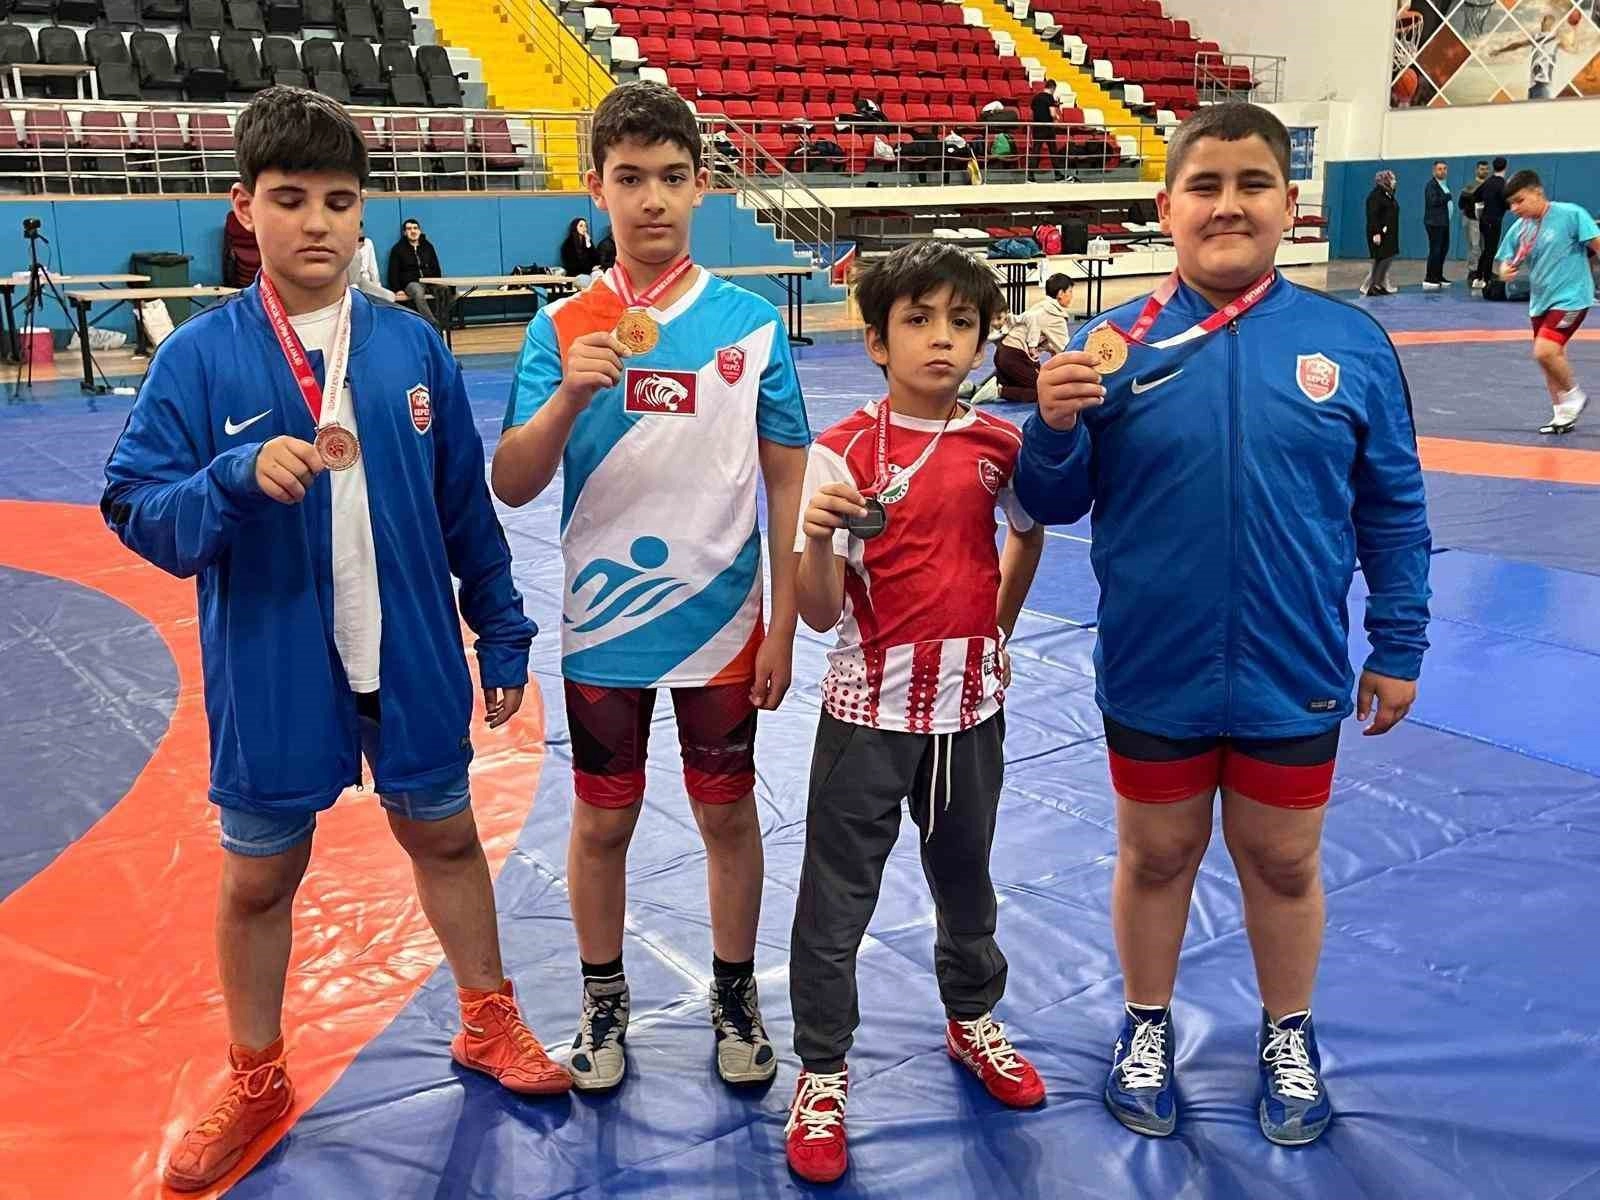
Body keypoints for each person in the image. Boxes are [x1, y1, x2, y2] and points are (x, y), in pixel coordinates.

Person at [100, 86, 567, 1195]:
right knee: (261, 875)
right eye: (290, 198)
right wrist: (228, 478)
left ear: (365, 212)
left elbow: (465, 508)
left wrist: (502, 631)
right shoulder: (199, 359)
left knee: (446, 839)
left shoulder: (410, 347)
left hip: (406, 653)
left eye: (339, 201)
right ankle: (257, 1075)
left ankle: (486, 1017)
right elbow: (134, 505)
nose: (317, 222)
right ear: (244, 207)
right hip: (272, 665)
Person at [1013, 103, 1432, 1148]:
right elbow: (1052, 501)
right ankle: (1145, 1023)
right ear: (1167, 209)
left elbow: (1392, 507)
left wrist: (1399, 641)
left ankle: (1287, 1033)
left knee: (1284, 862)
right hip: (1155, 660)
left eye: (1252, 185)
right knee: (1155, 855)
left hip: (1293, 661)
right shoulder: (1113, 343)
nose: (1228, 205)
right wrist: (1052, 426)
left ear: (1289, 205)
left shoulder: (1350, 342)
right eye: (1204, 186)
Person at [492, 81, 811, 1094]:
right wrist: (566, 399)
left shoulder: (749, 324)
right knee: (602, 820)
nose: (653, 199)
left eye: (672, 177)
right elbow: (512, 481)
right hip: (604, 626)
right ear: (595, 188)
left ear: (702, 185)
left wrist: (782, 625)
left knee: (726, 815)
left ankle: (734, 995)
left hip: (725, 621)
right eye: (629, 179)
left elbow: (789, 478)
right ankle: (603, 1002)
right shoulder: (560, 326)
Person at [784, 242, 1047, 1184]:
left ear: (982, 340)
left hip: (970, 710)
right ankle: (822, 1071)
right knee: (835, 901)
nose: (942, 339)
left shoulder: (1000, 445)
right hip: (867, 716)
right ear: (876, 342)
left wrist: (995, 630)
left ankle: (972, 1019)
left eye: (961, 323)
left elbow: (1026, 535)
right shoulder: (842, 451)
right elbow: (817, 612)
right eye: (919, 321)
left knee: (967, 881)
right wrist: (819, 541)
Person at [1494, 169, 1600, 435]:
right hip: (1541, 301)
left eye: (1519, 201)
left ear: (1537, 192)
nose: (1514, 208)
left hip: (1572, 297)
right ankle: (1562, 414)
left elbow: (1597, 244)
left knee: (1544, 351)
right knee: (1551, 358)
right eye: (1511, 204)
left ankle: (1574, 396)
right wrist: (1504, 270)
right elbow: (1504, 260)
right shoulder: (1521, 228)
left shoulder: (1571, 214)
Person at [994, 272, 1074, 401]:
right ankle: (999, 392)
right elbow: (1066, 350)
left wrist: (1049, 349)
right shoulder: (1056, 317)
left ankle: (976, 389)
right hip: (1015, 357)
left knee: (1025, 381)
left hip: (1002, 352)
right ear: (1060, 293)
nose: (1072, 296)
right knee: (1045, 391)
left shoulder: (1041, 306)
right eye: (1070, 291)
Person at [387, 216, 444, 328]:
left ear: (420, 231)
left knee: (449, 292)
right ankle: (433, 324)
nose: (413, 231)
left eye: (415, 228)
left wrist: (437, 281)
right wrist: (397, 289)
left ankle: (442, 320)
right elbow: (393, 272)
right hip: (412, 283)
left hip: (430, 282)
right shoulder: (398, 249)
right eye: (409, 229)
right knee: (418, 292)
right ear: (404, 233)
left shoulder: (428, 247)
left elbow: (436, 267)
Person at [1362, 169, 1399, 296]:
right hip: (1379, 233)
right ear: (1385, 180)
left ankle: (1378, 284)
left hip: (1389, 232)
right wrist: (1376, 233)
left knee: (1387, 257)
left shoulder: (1388, 194)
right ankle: (1374, 286)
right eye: (1392, 179)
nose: (1395, 181)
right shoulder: (1376, 196)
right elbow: (1373, 215)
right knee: (1382, 257)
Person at [1476, 156, 1509, 287]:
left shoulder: (1487, 182)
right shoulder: (1502, 184)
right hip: (1494, 221)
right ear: (1505, 167)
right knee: (1490, 250)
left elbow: (1475, 196)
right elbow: (1506, 202)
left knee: (1486, 249)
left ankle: (1480, 276)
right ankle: (1485, 278)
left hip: (1484, 220)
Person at [1459, 159, 1490, 287]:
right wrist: (1471, 213)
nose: (1485, 171)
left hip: (1485, 221)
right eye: (1482, 169)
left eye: (1486, 169)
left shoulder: (1489, 186)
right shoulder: (1470, 187)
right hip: (1472, 220)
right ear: (1477, 170)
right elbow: (1461, 204)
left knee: (1485, 247)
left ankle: (1483, 271)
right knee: (1475, 247)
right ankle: (1472, 272)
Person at [1422, 160, 1453, 289]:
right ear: (1434, 171)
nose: (1443, 171)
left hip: (1444, 222)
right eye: (1440, 169)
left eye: (1445, 169)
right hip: (1434, 223)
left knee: (1443, 249)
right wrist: (1447, 197)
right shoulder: (1431, 185)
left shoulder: (1443, 185)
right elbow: (1433, 201)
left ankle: (1438, 275)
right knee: (1435, 250)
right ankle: (1430, 277)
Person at [346, 220, 393, 300]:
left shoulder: (368, 242)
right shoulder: (343, 244)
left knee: (389, 296)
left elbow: (373, 267)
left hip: (364, 280)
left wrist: (377, 285)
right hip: (350, 283)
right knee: (356, 292)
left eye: (360, 228)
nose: (359, 231)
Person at [1029, 80, 1063, 180]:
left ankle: (1030, 175)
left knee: (1036, 151)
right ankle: (1057, 174)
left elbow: (1033, 111)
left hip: (1037, 127)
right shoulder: (1049, 97)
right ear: (1053, 88)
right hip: (1048, 128)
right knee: (1053, 151)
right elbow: (1052, 113)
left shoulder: (1036, 97)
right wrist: (1057, 117)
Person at [558, 215, 601, 288]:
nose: (584, 228)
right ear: (575, 228)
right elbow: (572, 266)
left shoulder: (587, 241)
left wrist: (589, 245)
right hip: (576, 275)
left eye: (585, 226)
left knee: (599, 275)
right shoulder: (568, 244)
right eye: (581, 226)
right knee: (587, 281)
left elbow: (597, 260)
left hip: (589, 272)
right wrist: (590, 268)